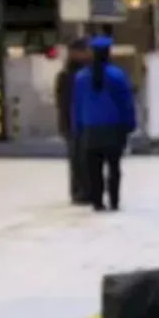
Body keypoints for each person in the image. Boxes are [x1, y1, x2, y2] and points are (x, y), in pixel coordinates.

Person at [72, 38, 136, 212]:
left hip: (90, 129)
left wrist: (77, 127)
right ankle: (114, 200)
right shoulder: (117, 76)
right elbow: (126, 102)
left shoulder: (80, 77)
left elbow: (76, 105)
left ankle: (97, 201)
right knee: (114, 166)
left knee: (94, 168)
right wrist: (130, 123)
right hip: (114, 128)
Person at [55, 39, 92, 204]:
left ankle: (88, 189)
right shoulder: (67, 76)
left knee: (88, 158)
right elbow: (62, 102)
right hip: (73, 123)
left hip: (88, 121)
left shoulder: (91, 72)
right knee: (77, 158)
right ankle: (79, 191)